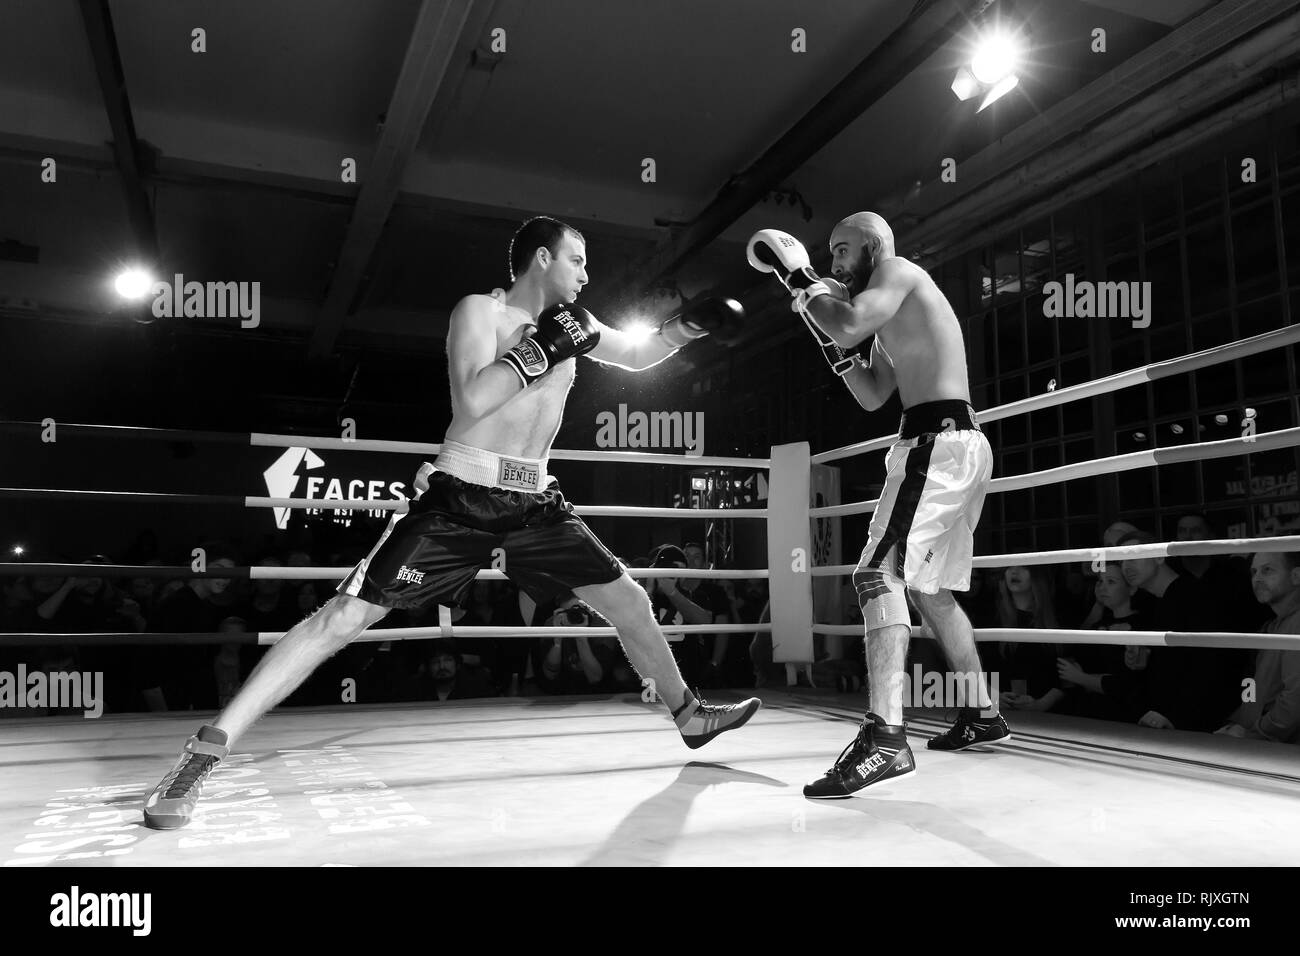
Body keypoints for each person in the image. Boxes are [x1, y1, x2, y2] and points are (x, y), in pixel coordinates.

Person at [143, 215, 760, 828]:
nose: (586, 274)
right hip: (463, 494)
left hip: (534, 501)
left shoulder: (580, 324)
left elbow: (637, 352)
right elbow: (470, 402)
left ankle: (688, 714)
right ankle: (202, 756)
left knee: (630, 601)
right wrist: (540, 349)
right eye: (577, 260)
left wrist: (687, 326)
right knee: (344, 617)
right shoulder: (479, 313)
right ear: (541, 259)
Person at [748, 212, 1006, 798]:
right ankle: (981, 711)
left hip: (937, 445)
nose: (837, 263)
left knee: (876, 574)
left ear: (872, 245)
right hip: (948, 442)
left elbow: (846, 323)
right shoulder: (894, 311)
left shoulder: (896, 269)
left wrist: (803, 280)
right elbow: (870, 392)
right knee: (928, 590)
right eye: (830, 255)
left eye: (843, 250)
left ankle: (886, 737)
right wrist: (819, 311)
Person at [1216, 551, 1300, 743]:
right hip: (1263, 743)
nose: (1257, 578)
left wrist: (1253, 733)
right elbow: (1252, 685)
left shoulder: (1296, 623)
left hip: (1286, 756)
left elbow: (1295, 699)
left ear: (1296, 576)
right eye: (1254, 572)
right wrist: (1237, 723)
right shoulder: (1269, 627)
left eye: (1267, 570)